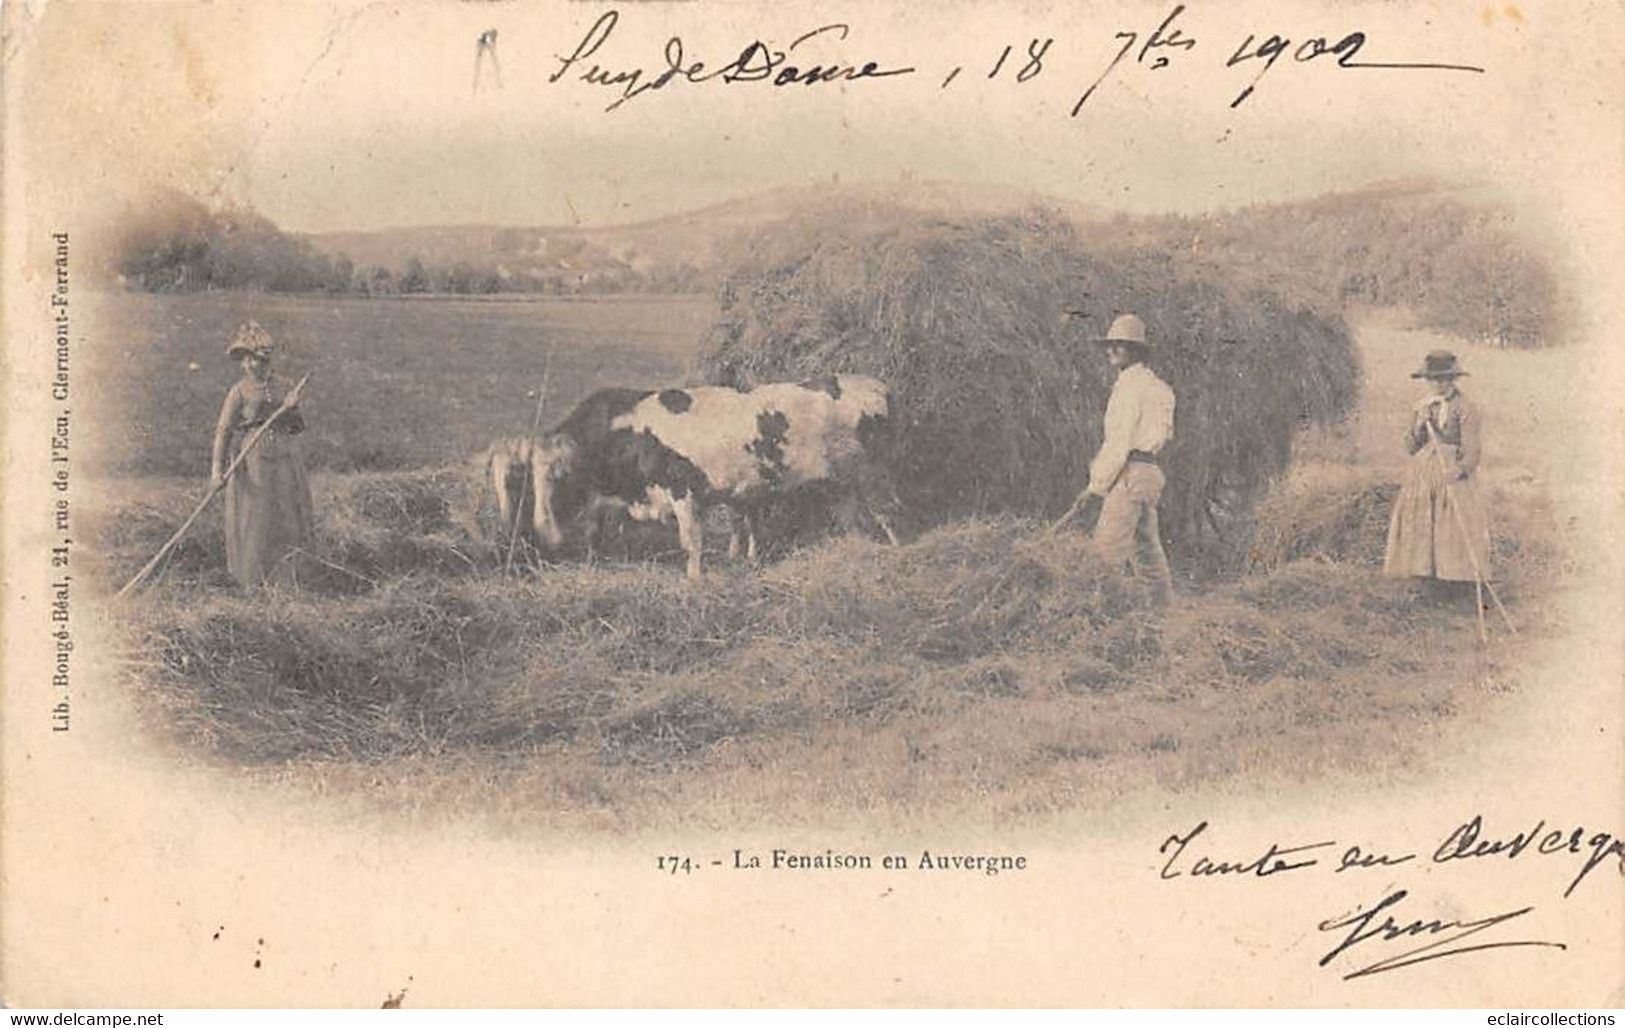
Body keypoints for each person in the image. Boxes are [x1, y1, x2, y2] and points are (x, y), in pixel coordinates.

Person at [1077, 312, 1177, 605]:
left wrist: (1095, 488)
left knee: (1106, 553)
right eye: (1109, 345)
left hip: (1131, 472)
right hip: (1149, 475)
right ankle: (1163, 613)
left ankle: (1096, 616)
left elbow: (1119, 443)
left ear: (1135, 350)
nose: (1111, 350)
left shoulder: (1130, 389)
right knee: (1146, 551)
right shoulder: (1159, 387)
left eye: (1118, 345)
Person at [211, 322, 314, 589]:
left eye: (253, 359)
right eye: (244, 360)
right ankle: (253, 581)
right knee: (256, 517)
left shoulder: (286, 386)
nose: (248, 366)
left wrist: (291, 409)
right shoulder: (239, 392)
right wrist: (216, 470)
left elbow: (298, 426)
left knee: (287, 515)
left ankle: (287, 580)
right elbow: (223, 431)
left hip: (286, 458)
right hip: (253, 459)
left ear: (265, 360)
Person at [1383, 350, 1491, 597]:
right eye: (1432, 380)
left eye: (1443, 379)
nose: (1437, 384)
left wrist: (1460, 470)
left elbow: (1473, 450)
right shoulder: (1420, 407)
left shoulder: (1465, 408)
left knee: (1453, 523)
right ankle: (1425, 578)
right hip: (1423, 475)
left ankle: (1457, 581)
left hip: (1451, 474)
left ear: (1453, 379)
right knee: (1422, 522)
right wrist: (1419, 427)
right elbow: (1411, 447)